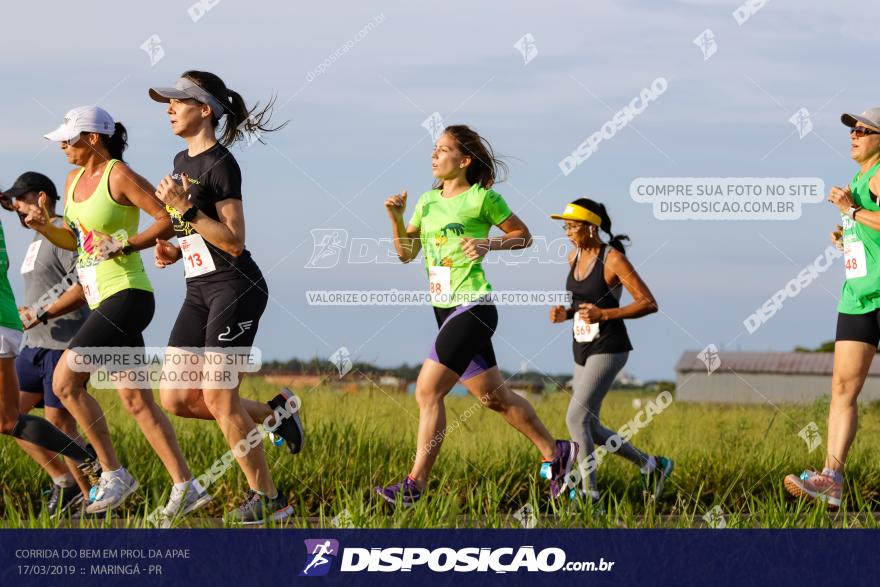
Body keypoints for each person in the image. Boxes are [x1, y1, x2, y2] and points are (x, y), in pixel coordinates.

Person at [20, 106, 210, 519]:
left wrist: (126, 244)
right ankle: (186, 486)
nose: (63, 147)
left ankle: (113, 473)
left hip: (127, 295)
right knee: (136, 401)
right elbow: (76, 242)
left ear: (93, 138)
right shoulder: (71, 182)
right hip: (100, 299)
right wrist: (43, 227)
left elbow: (168, 218)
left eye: (69, 140)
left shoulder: (118, 175)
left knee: (65, 382)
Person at [375, 124, 577, 506]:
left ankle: (414, 485)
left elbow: (524, 235)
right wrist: (396, 218)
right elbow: (406, 253)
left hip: (473, 307)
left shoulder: (483, 198)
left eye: (443, 149)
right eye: (434, 149)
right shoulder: (426, 201)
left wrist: (488, 243)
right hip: (444, 309)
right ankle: (556, 453)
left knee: (427, 390)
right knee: (494, 398)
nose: (434, 155)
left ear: (464, 160)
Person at [148, 71, 303, 525]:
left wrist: (185, 210)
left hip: (236, 287)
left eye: (178, 101)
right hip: (199, 290)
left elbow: (233, 240)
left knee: (218, 398)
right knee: (175, 398)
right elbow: (200, 235)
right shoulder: (181, 159)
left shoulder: (221, 163)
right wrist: (173, 248)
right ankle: (276, 414)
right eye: (167, 102)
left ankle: (270, 501)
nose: (169, 108)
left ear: (205, 110)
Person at [784, 107, 880, 509]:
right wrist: (848, 235)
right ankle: (831, 478)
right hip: (857, 297)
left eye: (862, 130)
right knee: (842, 389)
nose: (853, 135)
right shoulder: (860, 178)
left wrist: (852, 211)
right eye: (851, 130)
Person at [549, 198, 672, 504]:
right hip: (582, 345)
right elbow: (583, 304)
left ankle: (591, 496)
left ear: (591, 227)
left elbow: (648, 302)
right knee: (591, 425)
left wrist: (604, 315)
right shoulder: (572, 257)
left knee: (576, 419)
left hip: (610, 346)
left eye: (572, 226)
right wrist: (566, 314)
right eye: (565, 226)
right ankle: (652, 465)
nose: (567, 232)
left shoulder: (613, 259)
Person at [0, 188, 99, 515]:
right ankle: (67, 480)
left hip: (57, 342)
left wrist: (43, 312)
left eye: (22, 201)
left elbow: (82, 282)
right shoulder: (33, 241)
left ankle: (92, 482)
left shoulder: (57, 233)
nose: (19, 211)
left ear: (41, 196)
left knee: (44, 422)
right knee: (10, 419)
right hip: (31, 342)